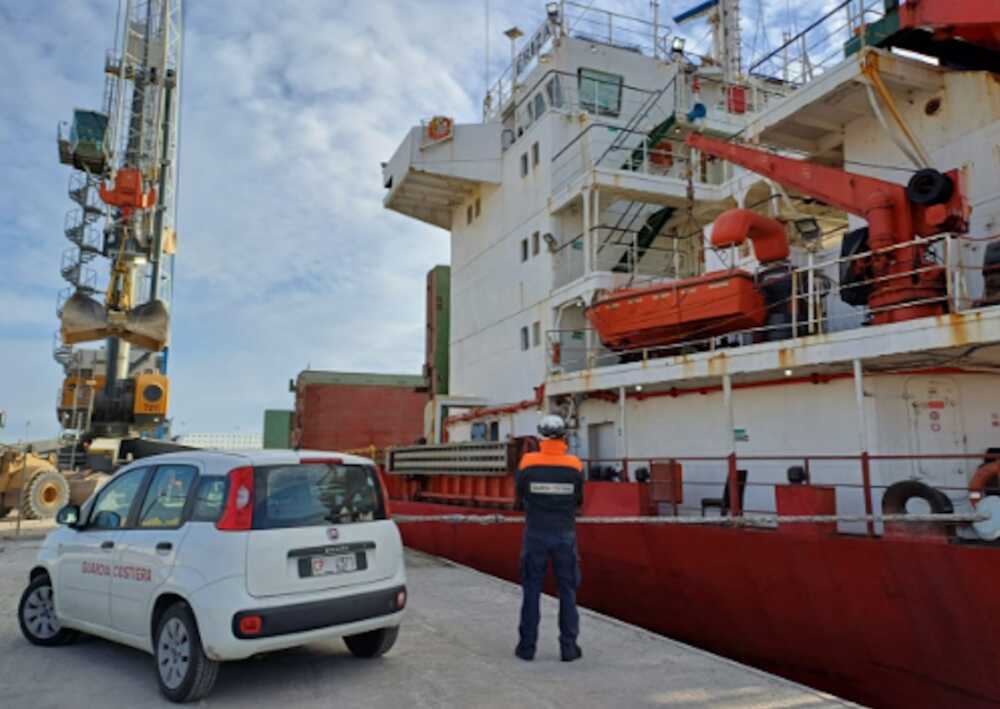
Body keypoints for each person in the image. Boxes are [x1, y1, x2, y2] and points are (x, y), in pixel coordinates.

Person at [514, 414, 584, 662]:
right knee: (567, 591)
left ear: (540, 437)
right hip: (564, 535)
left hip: (535, 534)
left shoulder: (527, 463)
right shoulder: (575, 465)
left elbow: (518, 498)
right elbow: (578, 501)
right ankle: (568, 648)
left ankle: (527, 648)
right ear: (564, 437)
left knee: (531, 590)